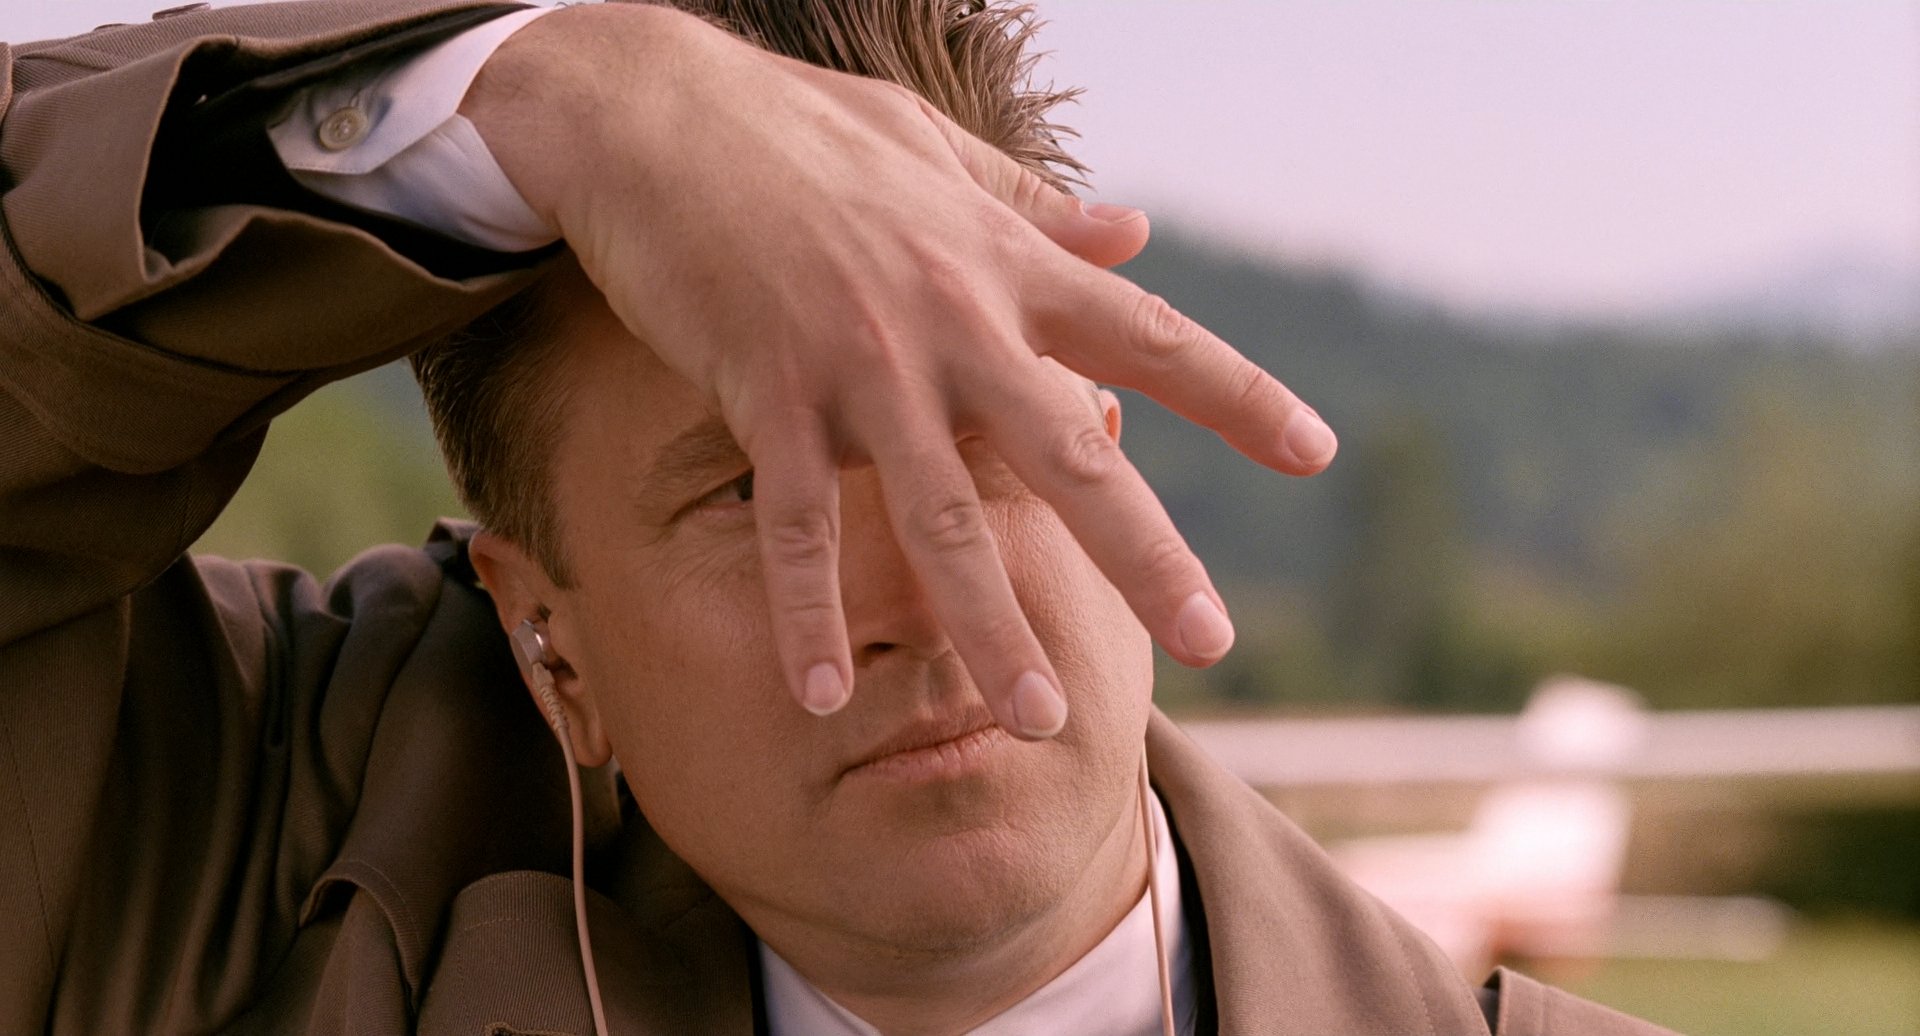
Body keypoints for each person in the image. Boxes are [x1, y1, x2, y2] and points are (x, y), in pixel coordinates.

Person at [0, 0, 1674, 1033]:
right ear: (547, 640)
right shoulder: (229, 859)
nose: (914, 597)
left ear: (1103, 435)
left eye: (972, 428)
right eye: (751, 486)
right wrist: (547, 96)